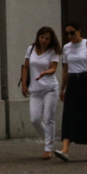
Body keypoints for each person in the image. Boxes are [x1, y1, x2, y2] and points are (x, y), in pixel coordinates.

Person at [55, 22, 87, 162]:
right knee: (70, 113)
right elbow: (65, 70)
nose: (70, 36)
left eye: (72, 33)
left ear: (79, 31)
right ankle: (65, 149)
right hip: (73, 83)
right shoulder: (66, 47)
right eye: (67, 33)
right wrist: (62, 89)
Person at [21, 26, 60, 159]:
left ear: (51, 40)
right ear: (38, 37)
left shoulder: (53, 51)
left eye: (47, 38)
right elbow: (26, 67)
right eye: (42, 37)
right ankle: (49, 139)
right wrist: (24, 84)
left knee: (48, 117)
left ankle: (48, 148)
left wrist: (45, 72)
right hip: (35, 90)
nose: (44, 40)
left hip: (50, 88)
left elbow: (54, 68)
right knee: (35, 119)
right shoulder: (31, 49)